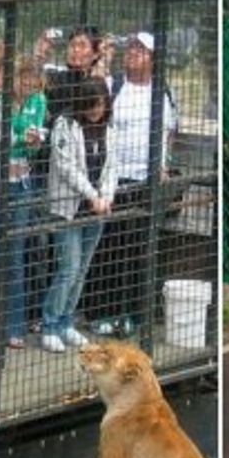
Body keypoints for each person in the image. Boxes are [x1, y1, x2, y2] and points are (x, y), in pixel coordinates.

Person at [84, 31, 178, 334]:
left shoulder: (162, 91)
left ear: (153, 57)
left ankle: (132, 314)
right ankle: (102, 313)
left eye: (142, 49)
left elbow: (168, 132)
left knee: (139, 249)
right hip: (114, 180)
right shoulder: (114, 86)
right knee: (109, 248)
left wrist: (163, 165)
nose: (134, 52)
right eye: (132, 48)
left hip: (146, 181)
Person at [0, 58, 48, 348]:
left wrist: (34, 141)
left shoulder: (38, 101)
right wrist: (17, 136)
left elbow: (34, 141)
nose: (28, 88)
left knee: (15, 256)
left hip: (21, 182)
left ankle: (13, 326)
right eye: (25, 81)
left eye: (34, 84)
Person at [42, 76, 117, 353]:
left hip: (97, 210)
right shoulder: (65, 125)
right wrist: (92, 195)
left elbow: (112, 166)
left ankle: (66, 321)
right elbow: (66, 167)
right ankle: (49, 324)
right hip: (68, 210)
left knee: (82, 269)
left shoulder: (109, 128)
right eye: (92, 104)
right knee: (68, 268)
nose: (97, 110)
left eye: (101, 104)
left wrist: (106, 196)